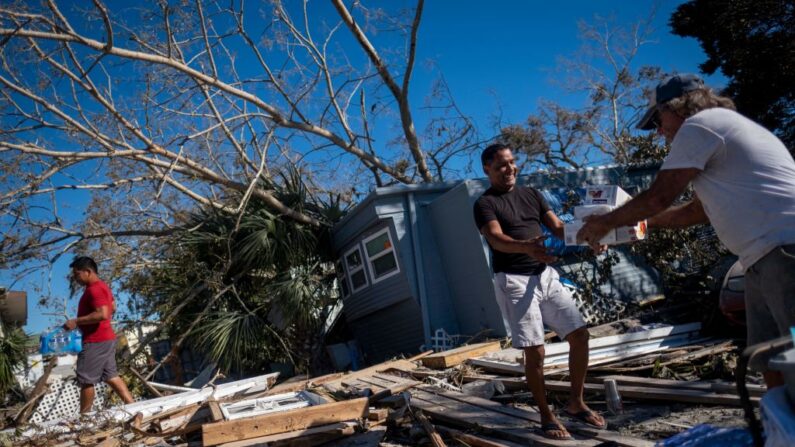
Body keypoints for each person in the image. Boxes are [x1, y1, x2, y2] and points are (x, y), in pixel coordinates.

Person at [578, 73, 795, 388]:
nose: (659, 132)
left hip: (784, 252)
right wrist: (640, 222)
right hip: (762, 257)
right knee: (769, 357)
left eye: (657, 121)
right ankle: (782, 430)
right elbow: (695, 211)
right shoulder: (724, 127)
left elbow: (659, 197)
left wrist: (605, 222)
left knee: (786, 352)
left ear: (676, 107)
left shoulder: (700, 125)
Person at [473, 143, 606, 440]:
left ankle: (576, 403)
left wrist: (589, 238)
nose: (509, 169)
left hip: (544, 275)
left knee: (580, 335)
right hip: (514, 281)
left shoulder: (531, 194)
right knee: (536, 353)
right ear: (487, 169)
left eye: (511, 162)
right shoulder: (485, 203)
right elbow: (496, 239)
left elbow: (558, 227)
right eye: (501, 166)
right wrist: (528, 247)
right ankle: (546, 416)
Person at [63, 256, 134, 413]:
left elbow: (102, 313)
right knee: (111, 376)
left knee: (86, 380)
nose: (75, 278)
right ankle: (134, 407)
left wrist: (76, 321)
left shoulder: (95, 289)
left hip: (95, 341)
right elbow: (112, 308)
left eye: (77, 274)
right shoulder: (103, 287)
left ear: (88, 272)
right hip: (106, 338)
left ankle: (84, 418)